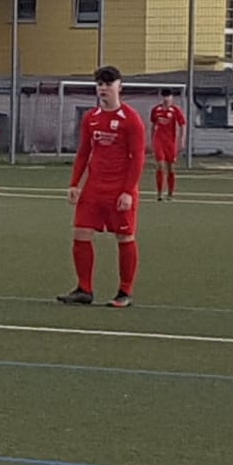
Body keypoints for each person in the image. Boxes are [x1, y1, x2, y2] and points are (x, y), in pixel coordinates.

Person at [58, 65, 145, 308]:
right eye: (100, 84)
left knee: (124, 237)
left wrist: (128, 191)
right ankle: (84, 289)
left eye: (108, 84)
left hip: (120, 189)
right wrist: (75, 183)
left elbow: (137, 158)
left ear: (120, 86)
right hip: (94, 187)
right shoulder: (91, 118)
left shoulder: (131, 120)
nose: (103, 88)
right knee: (81, 232)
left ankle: (124, 291)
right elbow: (84, 152)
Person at [148, 88, 187, 201]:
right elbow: (153, 125)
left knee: (171, 168)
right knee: (160, 165)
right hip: (159, 140)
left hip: (170, 142)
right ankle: (160, 194)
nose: (166, 98)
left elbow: (182, 125)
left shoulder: (175, 110)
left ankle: (170, 194)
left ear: (172, 97)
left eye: (168, 96)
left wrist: (182, 140)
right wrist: (152, 139)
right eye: (164, 96)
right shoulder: (156, 110)